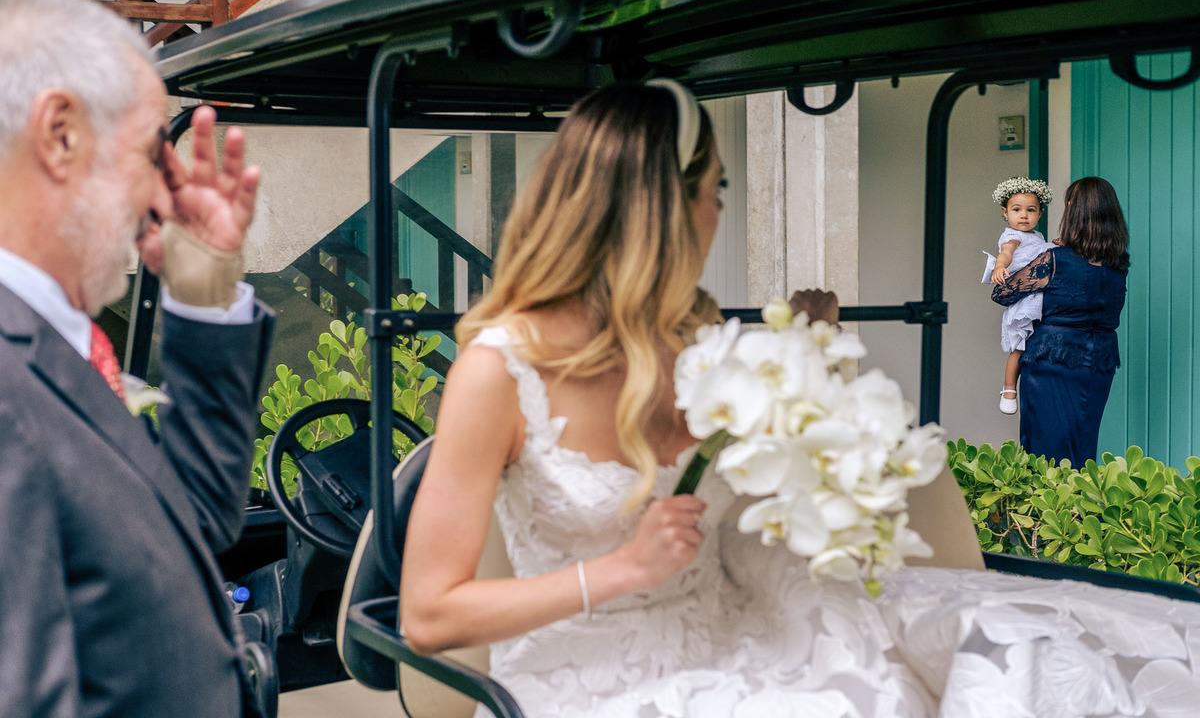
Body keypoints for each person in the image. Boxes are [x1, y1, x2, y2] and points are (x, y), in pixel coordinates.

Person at [402, 81, 1200, 717]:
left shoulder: (694, 340)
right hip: (587, 671)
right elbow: (430, 616)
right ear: (661, 205)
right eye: (715, 187)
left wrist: (808, 366)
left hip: (729, 627)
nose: (720, 210)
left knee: (976, 664)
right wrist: (618, 571)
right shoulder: (500, 371)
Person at [0, 0, 273, 717]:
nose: (163, 195)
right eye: (153, 150)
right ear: (60, 134)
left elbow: (191, 520)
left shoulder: (48, 343)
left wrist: (206, 292)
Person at [992, 176, 1130, 468]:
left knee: (1044, 454)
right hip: (1099, 362)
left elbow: (1002, 293)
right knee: (1082, 447)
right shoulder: (1119, 262)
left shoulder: (1055, 260)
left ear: (1072, 210)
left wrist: (1009, 261)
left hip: (1052, 360)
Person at [981, 176, 1055, 415]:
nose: (1024, 215)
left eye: (1030, 210)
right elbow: (1007, 253)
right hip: (1025, 298)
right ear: (1005, 212)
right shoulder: (1012, 237)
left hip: (1039, 294)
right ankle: (1009, 388)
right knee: (1019, 345)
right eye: (1017, 210)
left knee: (1036, 339)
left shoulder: (1037, 237)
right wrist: (1000, 266)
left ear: (1040, 213)